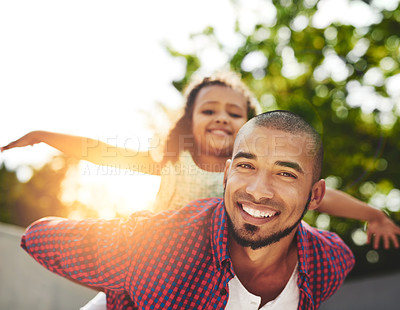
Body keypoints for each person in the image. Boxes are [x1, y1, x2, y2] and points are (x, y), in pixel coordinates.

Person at [2, 71, 399, 250]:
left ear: (250, 129)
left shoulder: (256, 177)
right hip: (159, 257)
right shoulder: (170, 161)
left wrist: (372, 215)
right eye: (209, 110)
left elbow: (321, 197)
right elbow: (101, 150)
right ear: (190, 120)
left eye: (234, 112)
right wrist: (44, 136)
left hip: (219, 266)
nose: (222, 117)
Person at [21, 111, 355, 309]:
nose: (257, 190)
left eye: (285, 173)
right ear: (226, 175)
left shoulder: (330, 261)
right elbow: (41, 236)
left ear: (315, 195)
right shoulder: (156, 244)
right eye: (246, 166)